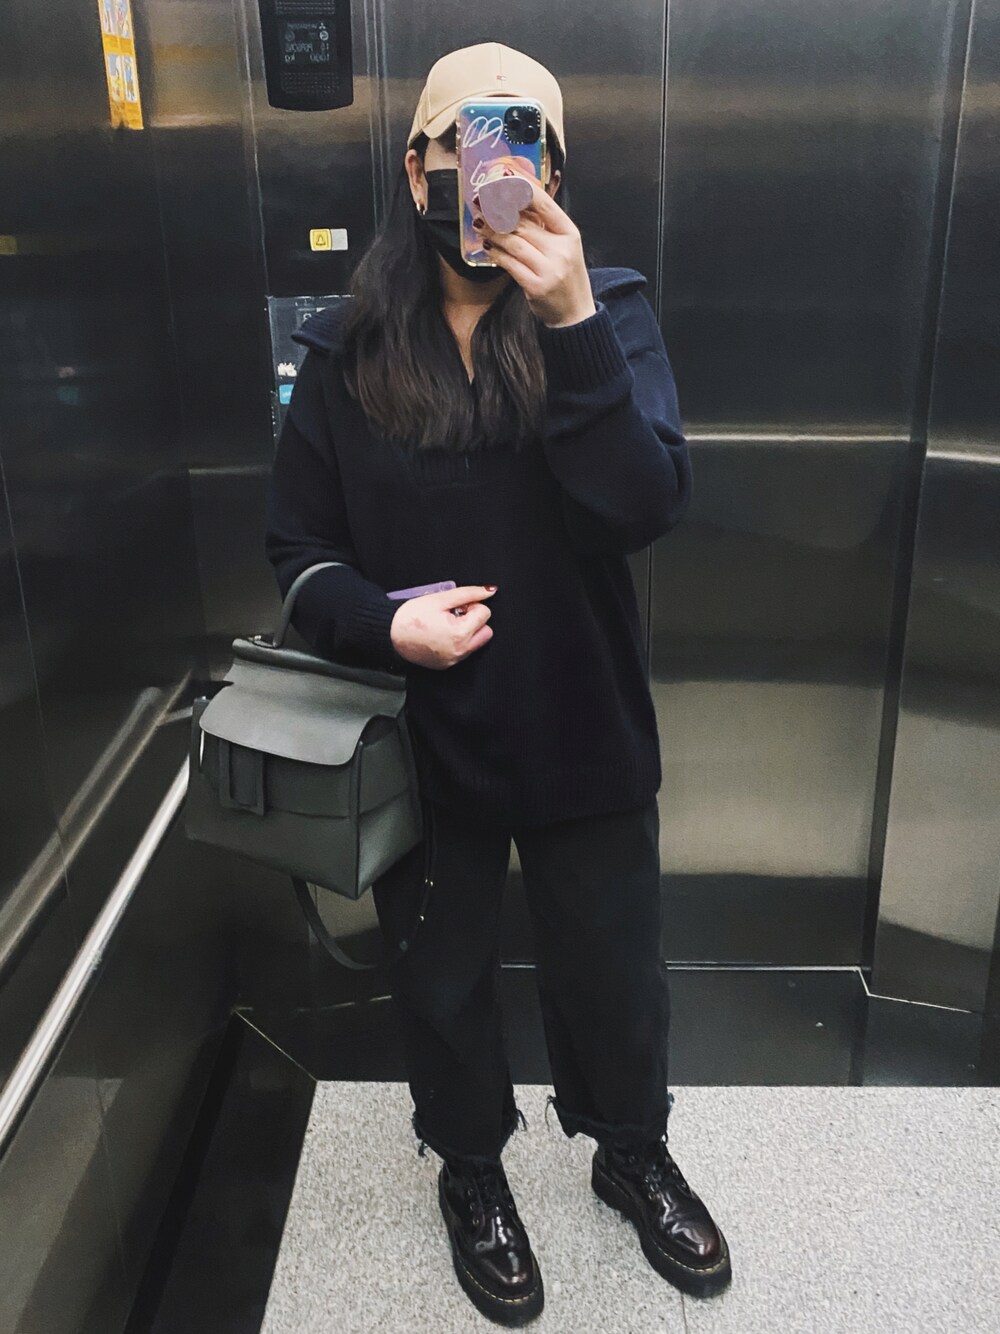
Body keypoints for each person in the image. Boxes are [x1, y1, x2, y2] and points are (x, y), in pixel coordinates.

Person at [265, 40, 732, 1328]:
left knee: (614, 972)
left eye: (522, 146)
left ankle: (630, 1151)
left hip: (585, 720)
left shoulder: (611, 313)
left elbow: (642, 507)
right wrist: (384, 624)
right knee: (442, 979)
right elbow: (298, 552)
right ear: (416, 167)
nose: (491, 172)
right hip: (426, 742)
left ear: (555, 176)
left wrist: (571, 323)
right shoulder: (349, 348)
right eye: (462, 142)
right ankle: (471, 1170)